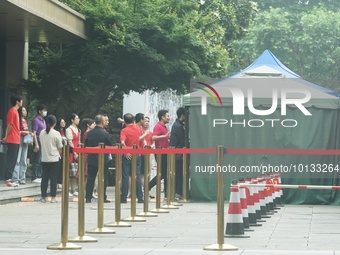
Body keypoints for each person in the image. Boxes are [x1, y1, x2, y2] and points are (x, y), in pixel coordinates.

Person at [120, 113, 149, 203]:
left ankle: (124, 197)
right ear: (133, 120)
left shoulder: (124, 130)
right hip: (137, 153)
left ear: (124, 121)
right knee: (138, 175)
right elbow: (141, 141)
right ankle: (140, 197)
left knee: (125, 176)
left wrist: (125, 151)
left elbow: (122, 142)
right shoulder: (138, 129)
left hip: (128, 154)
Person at [85, 115, 112, 203]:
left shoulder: (90, 133)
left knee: (91, 178)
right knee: (103, 178)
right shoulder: (105, 133)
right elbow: (109, 145)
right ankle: (102, 196)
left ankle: (88, 197)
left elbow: (86, 144)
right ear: (102, 122)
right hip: (103, 158)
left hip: (92, 158)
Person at [39, 115, 63, 203]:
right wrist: (58, 153)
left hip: (44, 158)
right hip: (54, 159)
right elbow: (60, 147)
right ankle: (53, 197)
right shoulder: (56, 133)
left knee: (44, 178)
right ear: (55, 123)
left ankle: (43, 196)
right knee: (54, 178)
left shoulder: (42, 133)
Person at [148, 110, 170, 197]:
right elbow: (153, 137)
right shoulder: (158, 126)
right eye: (167, 116)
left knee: (165, 173)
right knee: (162, 174)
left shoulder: (165, 127)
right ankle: (147, 186)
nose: (169, 118)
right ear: (162, 117)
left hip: (165, 152)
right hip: (160, 152)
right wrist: (164, 136)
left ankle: (166, 192)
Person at [2, 95, 23, 187]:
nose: (22, 102)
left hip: (16, 139)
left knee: (14, 160)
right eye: (21, 100)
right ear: (17, 102)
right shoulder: (12, 111)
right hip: (12, 139)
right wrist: (6, 136)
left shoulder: (16, 112)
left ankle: (10, 178)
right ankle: (8, 179)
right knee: (11, 159)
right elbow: (10, 125)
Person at [12, 106, 33, 184]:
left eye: (25, 110)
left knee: (23, 160)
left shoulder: (25, 121)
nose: (25, 112)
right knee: (18, 159)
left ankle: (22, 178)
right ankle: (15, 178)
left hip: (25, 140)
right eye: (23, 110)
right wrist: (26, 132)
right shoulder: (18, 120)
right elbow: (18, 131)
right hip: (20, 139)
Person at [169, 107, 186, 198]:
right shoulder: (178, 126)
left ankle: (177, 192)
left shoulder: (177, 124)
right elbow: (183, 140)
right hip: (178, 154)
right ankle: (178, 192)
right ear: (182, 115)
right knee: (179, 173)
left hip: (176, 153)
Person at [31, 104, 47, 183]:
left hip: (43, 142)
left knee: (41, 159)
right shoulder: (36, 120)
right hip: (38, 141)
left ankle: (39, 175)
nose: (45, 112)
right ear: (39, 111)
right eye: (43, 110)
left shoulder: (43, 120)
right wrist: (36, 144)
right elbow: (34, 133)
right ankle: (34, 176)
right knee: (37, 159)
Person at [66, 113, 81, 197]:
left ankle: (73, 189)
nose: (78, 120)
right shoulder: (69, 129)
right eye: (76, 118)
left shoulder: (78, 130)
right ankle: (68, 189)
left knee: (75, 172)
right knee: (70, 171)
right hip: (71, 152)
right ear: (72, 120)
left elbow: (78, 141)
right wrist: (74, 152)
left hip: (77, 151)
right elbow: (70, 141)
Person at [80, 118, 95, 183]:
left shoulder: (85, 132)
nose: (94, 125)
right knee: (86, 172)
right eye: (93, 124)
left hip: (86, 153)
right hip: (87, 153)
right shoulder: (87, 133)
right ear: (88, 125)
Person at [56, 118, 67, 189]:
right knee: (57, 167)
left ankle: (60, 181)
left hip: (64, 151)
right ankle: (57, 182)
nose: (63, 124)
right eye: (61, 122)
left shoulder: (65, 131)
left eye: (64, 122)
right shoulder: (57, 132)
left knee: (62, 168)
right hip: (57, 151)